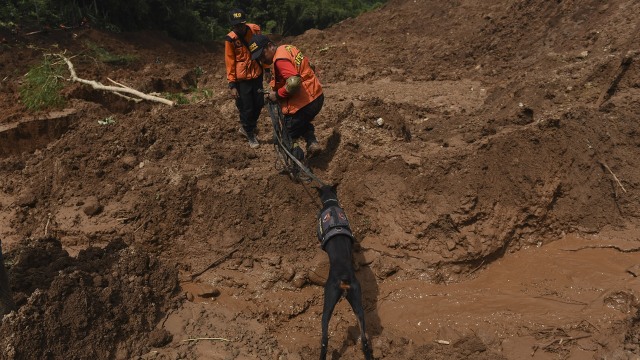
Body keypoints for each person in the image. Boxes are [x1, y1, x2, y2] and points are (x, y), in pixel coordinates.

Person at [248, 34, 323, 158]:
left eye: (262, 55)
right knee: (299, 123)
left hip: (303, 103)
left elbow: (293, 82)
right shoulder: (288, 48)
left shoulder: (279, 60)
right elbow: (311, 66)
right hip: (317, 96)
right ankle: (312, 141)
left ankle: (299, 170)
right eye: (259, 58)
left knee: (286, 137)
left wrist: (277, 95)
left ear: (270, 46)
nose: (262, 61)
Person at [224, 8, 267, 149]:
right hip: (242, 79)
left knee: (260, 102)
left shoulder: (255, 30)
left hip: (257, 73)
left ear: (245, 22)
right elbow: (229, 62)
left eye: (241, 24)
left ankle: (248, 126)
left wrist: (266, 68)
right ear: (232, 26)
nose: (240, 28)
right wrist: (232, 85)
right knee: (246, 107)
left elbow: (263, 49)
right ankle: (249, 132)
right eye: (236, 26)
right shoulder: (230, 39)